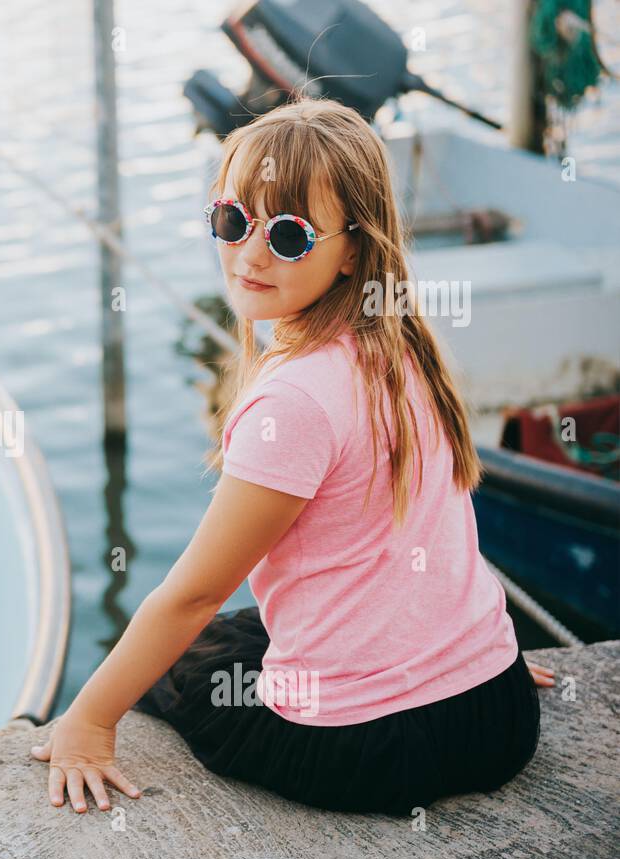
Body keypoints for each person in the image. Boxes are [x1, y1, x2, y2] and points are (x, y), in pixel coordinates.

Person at [30, 96, 554, 817]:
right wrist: (475, 652)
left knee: (192, 652)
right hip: (497, 714)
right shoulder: (402, 347)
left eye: (288, 235)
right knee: (252, 627)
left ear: (353, 251)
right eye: (233, 220)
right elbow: (434, 535)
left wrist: (88, 722)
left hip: (365, 750)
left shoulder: (295, 401)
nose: (248, 254)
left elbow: (194, 594)